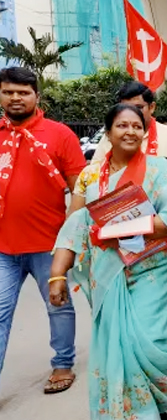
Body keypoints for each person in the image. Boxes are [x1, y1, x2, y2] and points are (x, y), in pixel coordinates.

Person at [50, 104, 167, 420]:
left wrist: (117, 228)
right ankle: (140, 412)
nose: (130, 131)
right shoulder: (91, 177)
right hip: (111, 275)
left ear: (144, 132)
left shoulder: (159, 169)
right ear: (108, 132)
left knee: (145, 341)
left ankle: (158, 394)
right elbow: (76, 225)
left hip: (154, 269)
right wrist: (57, 275)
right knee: (118, 346)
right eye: (122, 125)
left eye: (136, 126)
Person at [91, 81, 167, 360]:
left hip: (160, 241)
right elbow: (94, 181)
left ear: (151, 107)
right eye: (124, 113)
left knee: (157, 309)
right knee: (127, 316)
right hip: (118, 242)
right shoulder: (109, 139)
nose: (130, 128)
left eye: (138, 109)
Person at [0, 67, 85, 393]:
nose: (15, 98)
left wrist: (72, 237)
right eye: (9, 92)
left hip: (48, 244)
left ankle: (63, 364)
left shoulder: (59, 134)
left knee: (58, 306)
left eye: (23, 92)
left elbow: (79, 186)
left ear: (36, 95)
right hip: (3, 247)